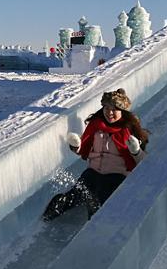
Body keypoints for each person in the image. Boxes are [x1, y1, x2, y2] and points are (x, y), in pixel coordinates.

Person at [43, 88, 149, 221]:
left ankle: (95, 224)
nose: (110, 112)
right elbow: (85, 150)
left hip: (116, 176)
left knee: (99, 201)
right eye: (107, 108)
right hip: (92, 173)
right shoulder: (96, 126)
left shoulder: (129, 130)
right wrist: (76, 146)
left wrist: (136, 151)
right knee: (72, 196)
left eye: (114, 109)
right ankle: (45, 219)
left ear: (122, 111)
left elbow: (144, 163)